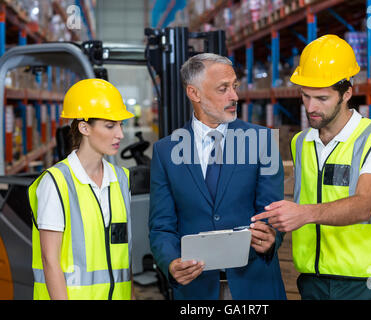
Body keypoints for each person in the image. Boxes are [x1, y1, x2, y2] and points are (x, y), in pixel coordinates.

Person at [252, 34, 371, 300]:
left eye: (322, 98)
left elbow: (363, 206)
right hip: (313, 281)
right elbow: (303, 201)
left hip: (364, 283)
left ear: (347, 93)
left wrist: (303, 214)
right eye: (305, 96)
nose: (311, 107)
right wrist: (274, 232)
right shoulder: (301, 143)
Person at [149, 53, 286, 300]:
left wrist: (271, 236)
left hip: (254, 286)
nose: (234, 96)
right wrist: (170, 263)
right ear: (194, 93)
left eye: (234, 87)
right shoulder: (165, 152)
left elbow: (271, 212)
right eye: (223, 89)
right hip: (197, 290)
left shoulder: (262, 141)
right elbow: (161, 226)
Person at [28, 78, 135, 300]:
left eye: (120, 125)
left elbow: (122, 256)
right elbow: (50, 260)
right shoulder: (56, 183)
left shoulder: (121, 180)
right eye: (110, 125)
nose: (120, 135)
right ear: (84, 127)